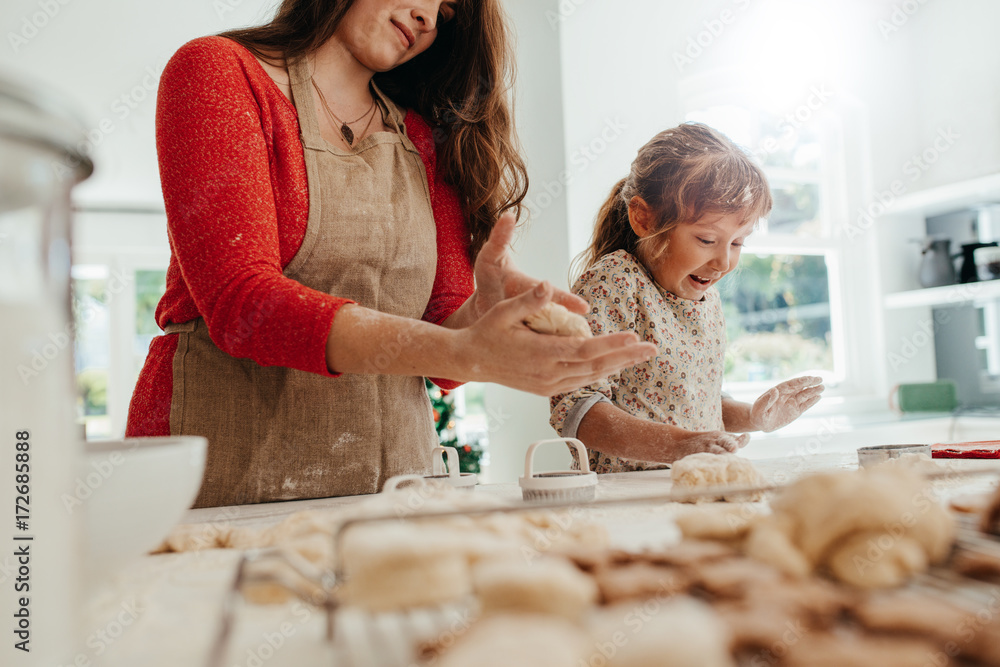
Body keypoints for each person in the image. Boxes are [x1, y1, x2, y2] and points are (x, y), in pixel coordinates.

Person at [125, 0, 656, 507]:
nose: (428, 18)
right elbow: (244, 307)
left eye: (446, 13)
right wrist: (464, 350)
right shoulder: (219, 72)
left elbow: (442, 344)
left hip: (392, 486)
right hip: (220, 473)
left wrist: (481, 315)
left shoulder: (422, 138)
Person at [550, 123, 824, 474]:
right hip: (624, 499)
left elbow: (700, 403)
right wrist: (678, 445)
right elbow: (576, 409)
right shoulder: (617, 282)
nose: (724, 262)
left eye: (738, 242)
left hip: (691, 487)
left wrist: (755, 416)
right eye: (707, 240)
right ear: (643, 218)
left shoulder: (706, 300)